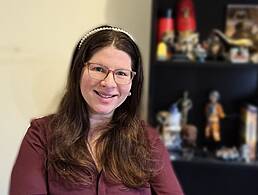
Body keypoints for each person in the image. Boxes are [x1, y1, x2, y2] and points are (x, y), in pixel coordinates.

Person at [10, 25, 184, 195]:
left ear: (132, 84)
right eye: (98, 69)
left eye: (121, 73)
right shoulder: (41, 135)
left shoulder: (148, 140)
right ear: (78, 72)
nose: (109, 83)